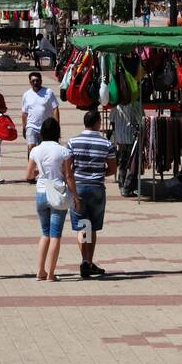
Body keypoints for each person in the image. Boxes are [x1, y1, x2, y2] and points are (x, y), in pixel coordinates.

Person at [23, 118, 76, 281]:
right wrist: (75, 196)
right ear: (57, 132)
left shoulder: (35, 151)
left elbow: (28, 175)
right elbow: (68, 176)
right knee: (55, 235)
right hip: (57, 193)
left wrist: (40, 173)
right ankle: (51, 273)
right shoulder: (63, 151)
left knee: (44, 233)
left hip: (41, 192)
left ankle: (40, 271)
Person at [65, 109, 116, 278]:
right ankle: (88, 260)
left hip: (78, 187)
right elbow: (112, 169)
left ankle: (85, 260)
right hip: (96, 187)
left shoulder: (72, 142)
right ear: (98, 123)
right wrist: (100, 173)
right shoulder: (106, 144)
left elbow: (67, 168)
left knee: (82, 225)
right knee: (92, 226)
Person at [20, 71, 59, 155]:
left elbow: (55, 109)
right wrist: (24, 127)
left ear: (41, 81)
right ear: (30, 82)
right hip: (31, 126)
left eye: (37, 80)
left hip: (45, 127)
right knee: (31, 147)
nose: (35, 83)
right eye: (33, 81)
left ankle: (41, 167)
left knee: (44, 151)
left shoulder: (48, 92)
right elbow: (24, 113)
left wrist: (56, 124)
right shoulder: (26, 94)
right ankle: (32, 167)